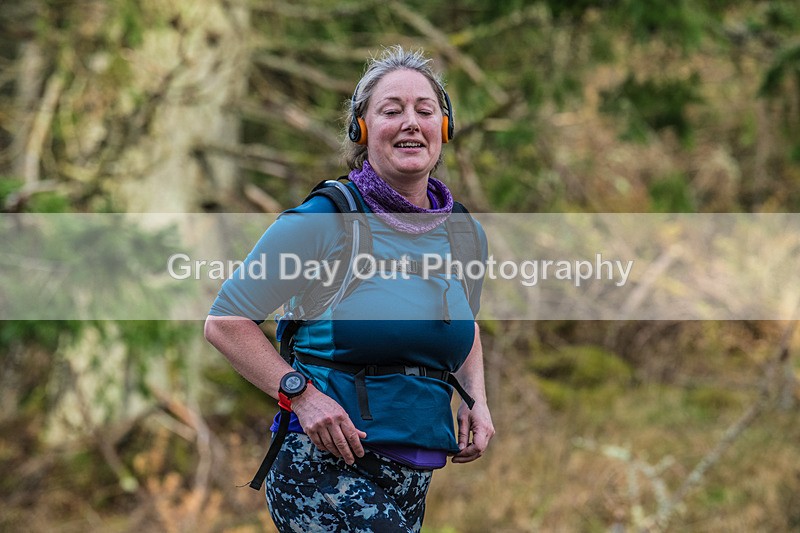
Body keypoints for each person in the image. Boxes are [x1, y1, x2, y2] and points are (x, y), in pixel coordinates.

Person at [204, 45, 494, 532]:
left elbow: (462, 326)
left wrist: (478, 401)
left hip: (414, 473)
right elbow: (226, 322)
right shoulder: (326, 219)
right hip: (321, 471)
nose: (410, 122)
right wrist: (300, 394)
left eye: (425, 111)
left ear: (443, 129)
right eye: (391, 110)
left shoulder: (464, 234)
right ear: (361, 129)